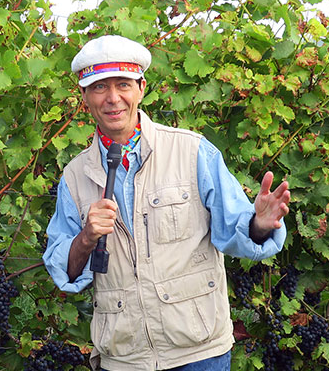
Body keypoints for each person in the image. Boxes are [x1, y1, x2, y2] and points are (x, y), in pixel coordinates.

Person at [43, 35, 290, 371]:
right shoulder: (74, 177)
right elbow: (64, 271)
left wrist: (260, 223)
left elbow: (236, 233)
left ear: (141, 88)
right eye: (99, 88)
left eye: (123, 85)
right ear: (84, 96)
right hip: (124, 358)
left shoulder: (192, 152)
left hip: (199, 353)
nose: (113, 98)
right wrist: (86, 238)